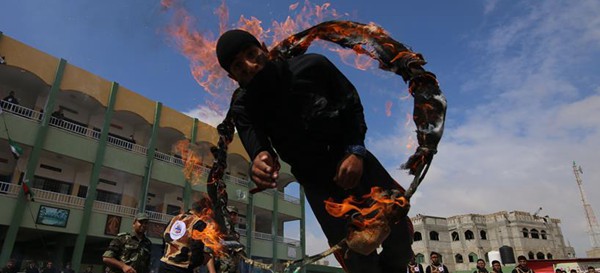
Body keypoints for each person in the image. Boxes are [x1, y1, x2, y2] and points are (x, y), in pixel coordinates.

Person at [215, 28, 413, 273]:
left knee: (400, 238)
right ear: (232, 76)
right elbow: (256, 143)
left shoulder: (313, 66)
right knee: (358, 259)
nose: (250, 65)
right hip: (319, 185)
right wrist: (260, 159)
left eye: (252, 53)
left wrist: (355, 151)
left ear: (264, 49)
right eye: (238, 66)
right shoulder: (244, 106)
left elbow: (352, 107)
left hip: (356, 163)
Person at [159, 198, 211, 273]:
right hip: (182, 268)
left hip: (164, 265)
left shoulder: (174, 219)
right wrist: (201, 260)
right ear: (204, 211)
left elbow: (164, 240)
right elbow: (197, 249)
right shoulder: (199, 223)